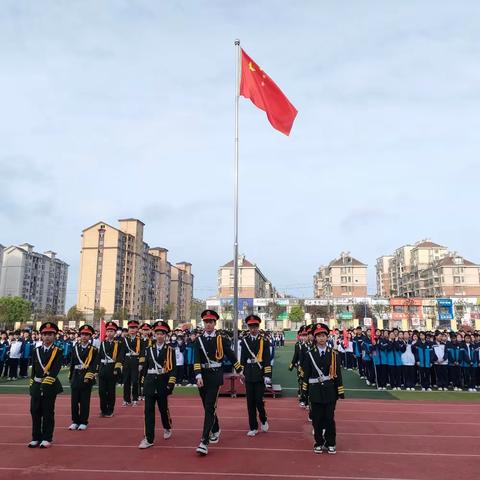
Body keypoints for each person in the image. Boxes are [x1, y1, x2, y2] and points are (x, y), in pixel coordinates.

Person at [193, 309, 243, 456]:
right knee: (207, 406)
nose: (208, 324)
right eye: (206, 322)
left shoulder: (221, 339)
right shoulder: (199, 340)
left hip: (215, 376)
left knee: (209, 407)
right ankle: (216, 429)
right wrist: (197, 375)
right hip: (203, 376)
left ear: (215, 323)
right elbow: (196, 359)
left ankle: (204, 441)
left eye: (211, 322)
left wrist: (240, 370)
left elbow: (231, 355)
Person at [302, 324, 344, 454]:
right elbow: (306, 374)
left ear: (327, 337)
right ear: (315, 338)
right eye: (319, 336)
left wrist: (340, 391)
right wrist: (304, 392)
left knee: (329, 418)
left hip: (330, 391)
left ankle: (331, 442)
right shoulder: (309, 354)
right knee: (317, 418)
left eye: (324, 336)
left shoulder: (333, 354)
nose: (321, 338)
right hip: (315, 391)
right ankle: (318, 442)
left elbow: (337, 373)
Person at [138, 321, 177, 449]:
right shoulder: (148, 349)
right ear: (154, 335)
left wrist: (170, 384)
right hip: (150, 381)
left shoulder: (170, 350)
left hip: (162, 381)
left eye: (162, 334)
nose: (159, 336)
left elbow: (173, 369)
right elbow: (145, 368)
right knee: (148, 411)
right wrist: (142, 383)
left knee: (163, 409)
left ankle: (167, 427)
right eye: (157, 333)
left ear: (166, 335)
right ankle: (149, 438)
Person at [28, 322, 63, 448]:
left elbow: (55, 369)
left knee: (48, 412)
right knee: (34, 411)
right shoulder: (36, 351)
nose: (47, 337)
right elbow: (34, 370)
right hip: (37, 385)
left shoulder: (58, 351)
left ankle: (47, 437)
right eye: (44, 334)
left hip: (49, 385)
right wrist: (32, 383)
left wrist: (48, 380)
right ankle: (35, 437)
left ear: (54, 336)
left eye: (50, 334)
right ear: (41, 336)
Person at [241, 315, 272, 437]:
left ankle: (263, 419)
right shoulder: (244, 341)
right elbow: (243, 358)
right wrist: (241, 372)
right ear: (248, 327)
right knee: (250, 402)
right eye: (251, 326)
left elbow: (267, 359)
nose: (253, 329)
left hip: (260, 374)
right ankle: (253, 427)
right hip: (249, 373)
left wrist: (267, 374)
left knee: (259, 401)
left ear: (258, 327)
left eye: (255, 326)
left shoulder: (264, 341)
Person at [68, 324, 98, 431]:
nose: (84, 337)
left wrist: (89, 376)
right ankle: (75, 421)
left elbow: (94, 365)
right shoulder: (75, 348)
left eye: (87, 335)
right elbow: (72, 363)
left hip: (86, 376)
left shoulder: (93, 350)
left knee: (85, 401)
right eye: (82, 334)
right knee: (74, 401)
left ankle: (83, 421)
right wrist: (71, 376)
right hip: (76, 376)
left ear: (90, 337)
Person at [98, 321, 124, 417]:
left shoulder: (119, 343)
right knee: (102, 391)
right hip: (103, 368)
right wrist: (97, 370)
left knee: (111, 391)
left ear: (115, 332)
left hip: (112, 368)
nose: (109, 333)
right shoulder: (103, 343)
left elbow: (120, 356)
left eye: (112, 331)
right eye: (108, 331)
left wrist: (117, 368)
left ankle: (110, 410)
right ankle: (103, 409)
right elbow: (99, 356)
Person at [122, 320, 144, 406]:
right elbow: (122, 353)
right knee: (126, 381)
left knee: (135, 381)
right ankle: (126, 399)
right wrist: (121, 363)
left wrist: (141, 364)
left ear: (137, 329)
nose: (132, 330)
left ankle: (135, 398)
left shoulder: (140, 340)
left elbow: (142, 352)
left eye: (134, 328)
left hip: (136, 361)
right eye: (130, 328)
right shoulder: (125, 340)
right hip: (127, 361)